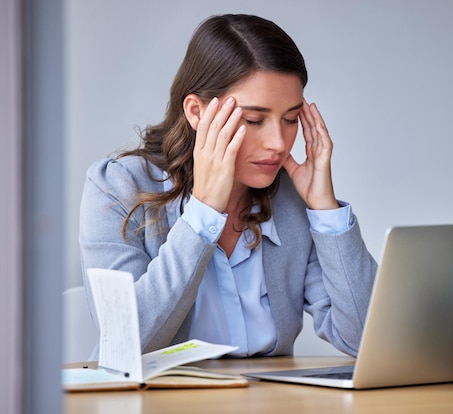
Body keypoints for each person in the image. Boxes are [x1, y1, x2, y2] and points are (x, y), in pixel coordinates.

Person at [79, 13, 377, 358]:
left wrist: (325, 210)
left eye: (291, 119)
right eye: (254, 120)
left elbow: (364, 341)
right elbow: (124, 345)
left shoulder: (292, 202)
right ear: (196, 112)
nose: (278, 143)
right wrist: (203, 212)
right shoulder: (116, 187)